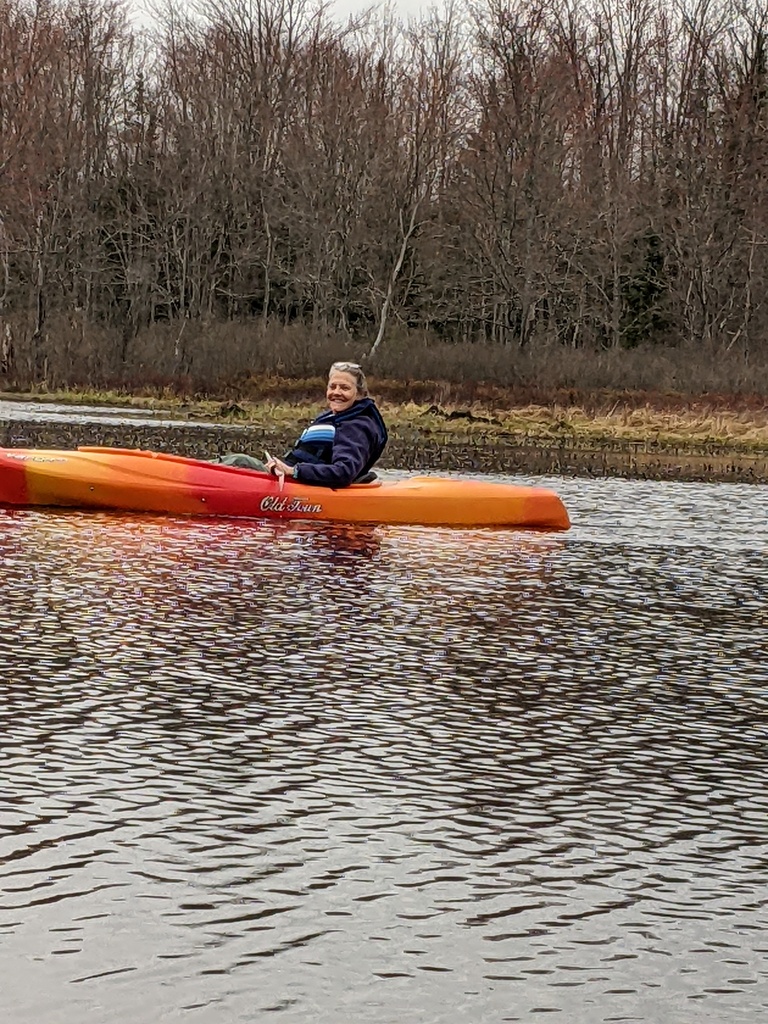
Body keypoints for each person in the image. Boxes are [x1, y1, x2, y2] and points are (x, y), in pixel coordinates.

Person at [219, 361, 388, 488]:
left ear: (359, 394)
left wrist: (295, 471)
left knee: (240, 461)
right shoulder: (333, 417)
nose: (336, 392)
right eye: (332, 387)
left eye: (344, 388)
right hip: (292, 480)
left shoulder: (355, 426)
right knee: (237, 462)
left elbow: (343, 472)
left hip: (301, 485)